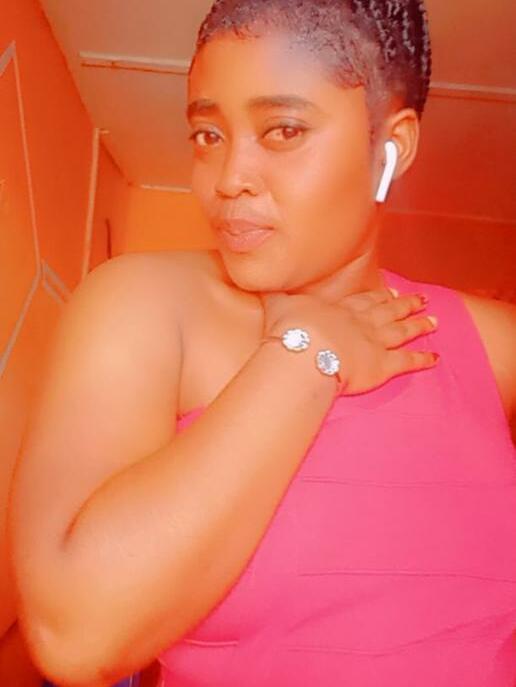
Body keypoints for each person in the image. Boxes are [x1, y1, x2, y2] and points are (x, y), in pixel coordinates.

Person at [9, 1, 516, 685]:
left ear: (391, 146)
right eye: (207, 135)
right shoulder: (149, 306)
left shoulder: (490, 344)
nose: (226, 179)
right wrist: (305, 356)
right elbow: (73, 634)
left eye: (283, 130)